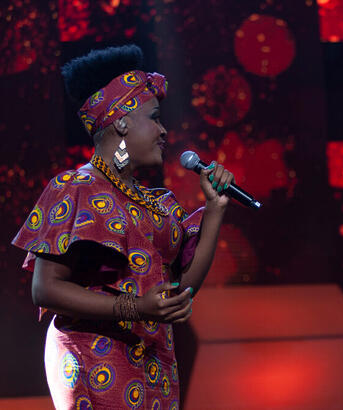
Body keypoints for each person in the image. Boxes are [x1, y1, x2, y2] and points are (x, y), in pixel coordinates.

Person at [12, 45, 234, 409]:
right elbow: (45, 289)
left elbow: (181, 290)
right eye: (155, 118)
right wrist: (133, 308)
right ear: (121, 121)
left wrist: (214, 209)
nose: (164, 131)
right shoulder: (75, 188)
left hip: (153, 357)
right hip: (92, 357)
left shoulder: (156, 202)